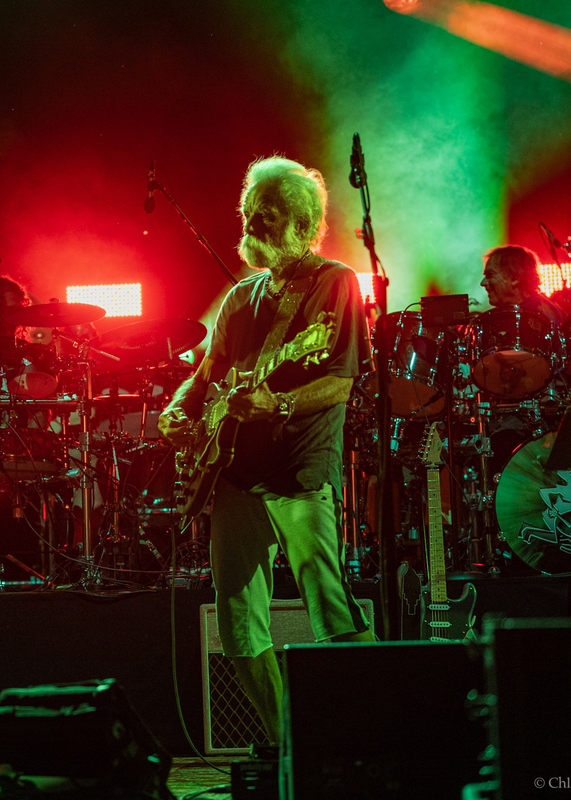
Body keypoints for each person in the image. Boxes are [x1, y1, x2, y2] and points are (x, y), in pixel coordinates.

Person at [157, 156, 374, 742]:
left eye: (268, 217)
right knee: (236, 617)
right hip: (232, 470)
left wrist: (276, 405)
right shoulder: (240, 296)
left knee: (326, 598)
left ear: (304, 225)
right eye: (249, 214)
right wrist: (178, 408)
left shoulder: (336, 283)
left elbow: (339, 383)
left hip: (298, 465)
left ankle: (376, 730)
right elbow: (207, 374)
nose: (252, 225)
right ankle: (287, 745)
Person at [480, 244, 565, 322]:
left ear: (515, 277)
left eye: (490, 275)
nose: (482, 283)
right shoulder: (507, 314)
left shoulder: (544, 316)